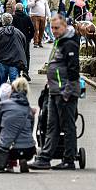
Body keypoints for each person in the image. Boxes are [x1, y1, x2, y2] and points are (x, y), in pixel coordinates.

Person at [31, 14, 82, 171]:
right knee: (51, 125)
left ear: (64, 26)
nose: (54, 31)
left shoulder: (70, 44)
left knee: (67, 127)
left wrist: (66, 92)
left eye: (57, 28)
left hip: (64, 93)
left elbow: (74, 70)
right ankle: (45, 158)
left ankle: (69, 160)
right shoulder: (60, 42)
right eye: (52, 28)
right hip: (54, 91)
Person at [0, 76, 37, 173]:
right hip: (29, 149)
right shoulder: (29, 109)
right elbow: (30, 129)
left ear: (12, 89)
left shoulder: (4, 105)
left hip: (9, 149)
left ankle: (7, 162)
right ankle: (24, 158)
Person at [0, 13, 27, 88]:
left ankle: (2, 97)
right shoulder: (18, 33)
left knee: (2, 82)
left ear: (3, 21)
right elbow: (24, 45)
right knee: (14, 82)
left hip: (2, 60)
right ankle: (14, 98)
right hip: (15, 60)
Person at [12, 3, 35, 74]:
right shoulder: (27, 17)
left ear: (15, 9)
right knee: (26, 55)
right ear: (22, 9)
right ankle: (25, 70)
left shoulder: (13, 17)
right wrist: (29, 37)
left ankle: (17, 71)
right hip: (25, 38)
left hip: (15, 39)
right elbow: (32, 29)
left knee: (16, 55)